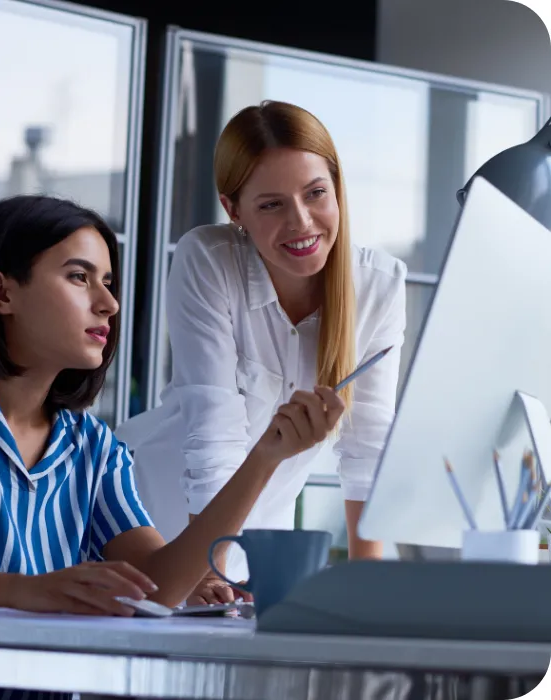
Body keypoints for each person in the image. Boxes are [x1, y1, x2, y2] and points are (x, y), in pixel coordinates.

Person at [0, 195, 345, 700]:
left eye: (108, 282)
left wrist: (265, 456)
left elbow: (159, 587)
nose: (108, 302)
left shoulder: (95, 448)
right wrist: (22, 592)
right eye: (78, 276)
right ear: (1, 292)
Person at [117, 101, 407, 603]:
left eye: (316, 193)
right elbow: (213, 436)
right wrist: (207, 571)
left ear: (337, 188)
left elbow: (368, 452)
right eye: (271, 204)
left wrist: (370, 590)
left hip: (248, 553)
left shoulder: (379, 286)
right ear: (234, 211)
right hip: (148, 522)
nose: (302, 222)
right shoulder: (208, 259)